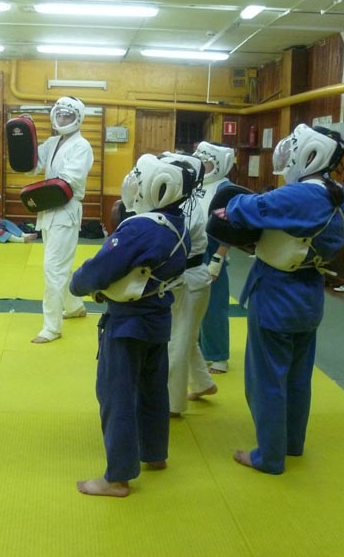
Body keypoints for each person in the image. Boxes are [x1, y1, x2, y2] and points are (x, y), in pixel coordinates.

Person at [220, 124, 344, 474]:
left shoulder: (301, 195)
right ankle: (292, 443)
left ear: (308, 153)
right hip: (309, 295)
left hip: (277, 293)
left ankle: (269, 456)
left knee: (266, 378)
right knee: (296, 377)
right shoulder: (339, 195)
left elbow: (246, 207)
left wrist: (229, 208)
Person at [70, 153, 194, 497]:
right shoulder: (177, 224)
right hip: (158, 321)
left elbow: (98, 270)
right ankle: (154, 453)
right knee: (153, 390)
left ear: (155, 188)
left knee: (117, 395)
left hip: (127, 324)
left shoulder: (140, 228)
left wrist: (77, 284)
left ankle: (117, 476)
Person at [29, 96, 94, 343]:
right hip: (48, 210)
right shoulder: (53, 142)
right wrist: (22, 139)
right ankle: (74, 306)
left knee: (53, 268)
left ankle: (51, 327)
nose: (63, 119)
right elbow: (33, 166)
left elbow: (69, 180)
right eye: (60, 114)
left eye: (68, 115)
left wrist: (40, 194)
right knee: (59, 266)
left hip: (65, 210)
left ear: (78, 118)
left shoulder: (82, 146)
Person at [161, 152, 218, 417]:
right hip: (195, 279)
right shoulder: (187, 202)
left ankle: (172, 404)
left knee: (176, 342)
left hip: (188, 280)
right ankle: (203, 383)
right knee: (187, 336)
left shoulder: (186, 209)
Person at [194, 142, 236, 374]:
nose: (203, 165)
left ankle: (218, 357)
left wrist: (219, 258)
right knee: (193, 303)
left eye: (207, 162)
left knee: (214, 306)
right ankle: (199, 348)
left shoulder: (225, 189)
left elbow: (231, 227)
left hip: (212, 249)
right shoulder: (196, 182)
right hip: (193, 247)